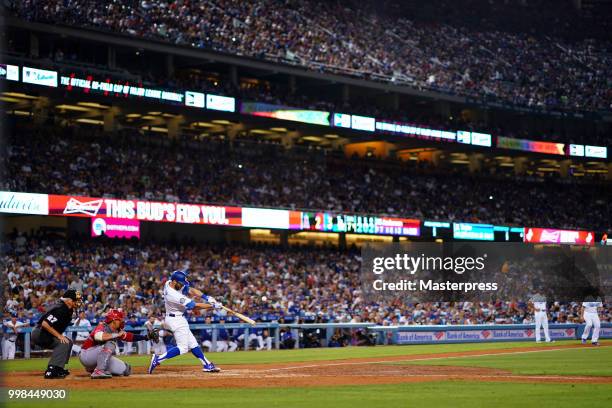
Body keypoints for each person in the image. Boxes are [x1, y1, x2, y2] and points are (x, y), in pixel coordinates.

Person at [148, 270, 222, 374]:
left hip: (178, 318)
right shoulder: (173, 294)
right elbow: (194, 307)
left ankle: (207, 364)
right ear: (174, 282)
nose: (182, 285)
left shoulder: (170, 282)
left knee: (193, 343)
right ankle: (158, 359)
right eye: (181, 283)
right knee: (183, 348)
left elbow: (190, 290)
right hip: (175, 320)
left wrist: (207, 297)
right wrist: (213, 306)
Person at [79, 309, 158, 379]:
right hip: (86, 354)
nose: (122, 321)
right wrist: (116, 335)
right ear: (114, 321)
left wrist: (146, 337)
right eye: (119, 320)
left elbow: (130, 337)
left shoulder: (116, 330)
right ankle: (99, 370)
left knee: (126, 369)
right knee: (111, 342)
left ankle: (94, 368)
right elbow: (98, 336)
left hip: (96, 357)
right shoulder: (102, 326)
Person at [31, 289, 82, 378]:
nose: (78, 302)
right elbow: (45, 324)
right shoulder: (60, 308)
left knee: (68, 342)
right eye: (75, 300)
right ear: (69, 300)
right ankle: (51, 370)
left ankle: (59, 368)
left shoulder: (68, 309)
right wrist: (59, 336)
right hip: (40, 332)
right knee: (63, 342)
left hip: (45, 333)